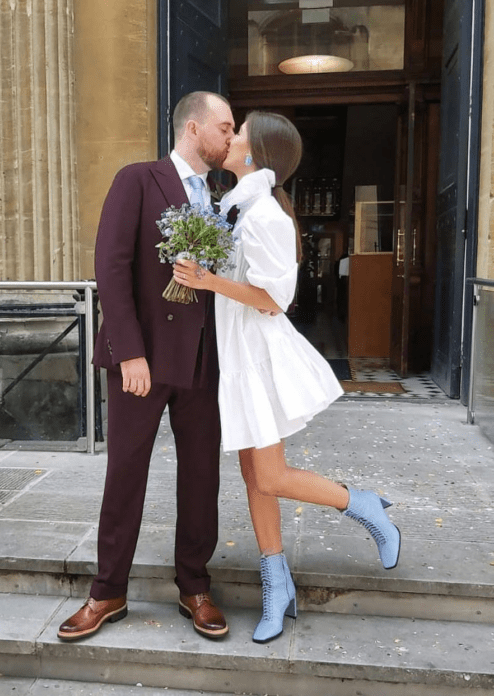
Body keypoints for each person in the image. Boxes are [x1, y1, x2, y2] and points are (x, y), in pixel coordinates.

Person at [173, 111, 401, 644]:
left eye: (239, 133)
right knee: (255, 478)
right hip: (236, 354)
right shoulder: (236, 205)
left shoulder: (264, 217)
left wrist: (207, 281)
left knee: (270, 476)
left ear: (257, 154)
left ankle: (361, 504)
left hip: (258, 357)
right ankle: (278, 587)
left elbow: (275, 300)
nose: (229, 138)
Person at [57, 91, 235, 642]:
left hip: (202, 360)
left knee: (202, 478)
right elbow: (111, 266)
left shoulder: (221, 199)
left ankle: (195, 586)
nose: (231, 138)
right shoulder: (137, 179)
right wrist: (130, 351)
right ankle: (106, 592)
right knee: (126, 474)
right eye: (225, 128)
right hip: (143, 360)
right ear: (193, 127)